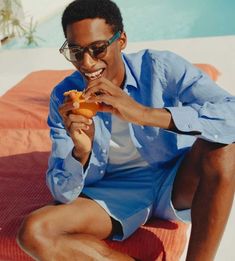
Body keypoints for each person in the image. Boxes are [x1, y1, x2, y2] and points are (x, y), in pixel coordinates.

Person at [17, 0, 235, 260]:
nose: (86, 63)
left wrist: (145, 114)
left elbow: (229, 111)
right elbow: (62, 193)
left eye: (97, 49)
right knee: (34, 232)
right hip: (113, 193)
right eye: (76, 51)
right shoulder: (63, 99)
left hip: (175, 177)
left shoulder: (160, 68)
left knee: (224, 149)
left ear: (121, 41)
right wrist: (81, 152)